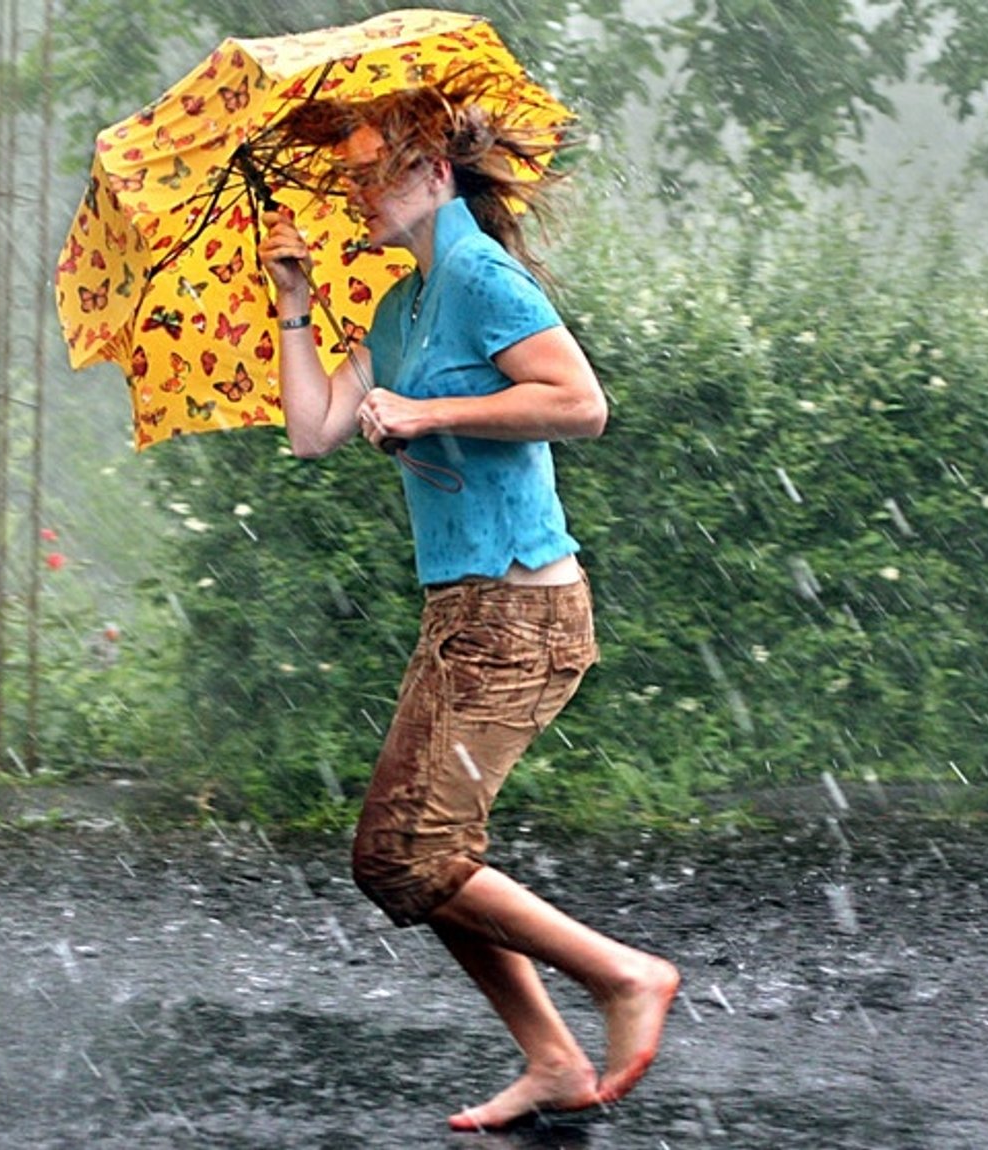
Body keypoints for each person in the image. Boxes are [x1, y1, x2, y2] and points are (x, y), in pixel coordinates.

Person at [259, 73, 682, 1132]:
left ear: (435, 173)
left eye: (377, 170)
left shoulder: (484, 276)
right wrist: (295, 307)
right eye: (354, 175)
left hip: (518, 615)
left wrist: (428, 408)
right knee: (415, 859)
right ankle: (549, 1058)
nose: (359, 190)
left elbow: (579, 403)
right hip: (461, 614)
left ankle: (622, 976)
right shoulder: (401, 304)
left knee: (405, 855)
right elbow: (311, 431)